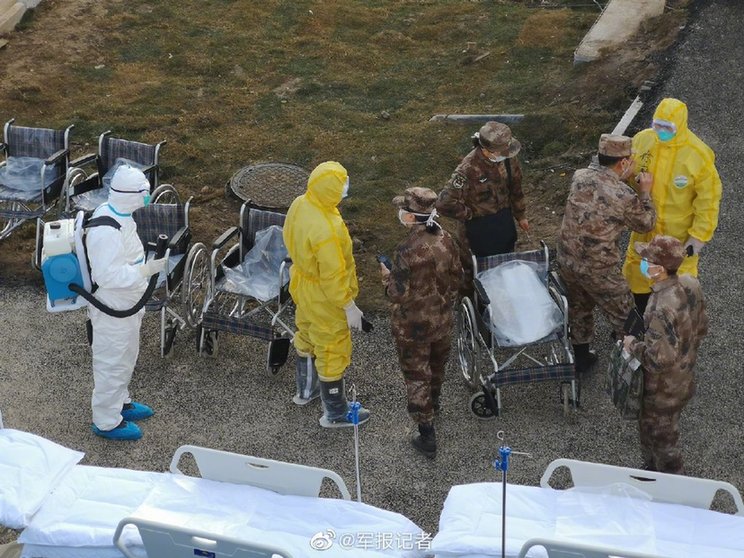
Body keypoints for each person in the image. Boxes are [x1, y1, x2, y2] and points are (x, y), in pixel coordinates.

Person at [557, 134, 656, 373]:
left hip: (567, 259)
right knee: (625, 312)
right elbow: (646, 223)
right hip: (598, 267)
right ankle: (634, 365)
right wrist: (645, 193)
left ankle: (581, 358)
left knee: (579, 307)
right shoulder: (623, 195)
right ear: (623, 163)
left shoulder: (579, 176)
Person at [283, 161, 370, 428]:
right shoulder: (327, 228)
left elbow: (288, 235)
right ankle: (335, 413)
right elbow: (333, 275)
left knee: (307, 333)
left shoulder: (301, 203)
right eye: (341, 186)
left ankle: (305, 391)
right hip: (324, 295)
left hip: (302, 283)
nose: (344, 191)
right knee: (332, 347)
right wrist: (348, 305)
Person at [380, 187, 462, 458]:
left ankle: (427, 434)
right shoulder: (446, 239)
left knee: (417, 376)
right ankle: (434, 404)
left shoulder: (406, 250)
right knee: (436, 367)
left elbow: (397, 294)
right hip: (442, 321)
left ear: (411, 216)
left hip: (412, 328)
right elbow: (457, 277)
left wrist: (386, 277)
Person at [87, 165, 166, 441]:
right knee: (111, 362)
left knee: (126, 356)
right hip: (113, 306)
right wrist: (144, 271)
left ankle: (121, 403)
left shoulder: (122, 217)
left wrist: (142, 273)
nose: (147, 198)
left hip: (128, 302)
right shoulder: (105, 230)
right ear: (131, 195)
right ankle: (106, 421)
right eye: (144, 193)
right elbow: (107, 276)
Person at [623, 97, 722, 315]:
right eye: (657, 125)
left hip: (676, 240)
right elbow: (630, 172)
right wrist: (632, 179)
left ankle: (671, 328)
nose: (661, 131)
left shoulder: (698, 155)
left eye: (667, 127)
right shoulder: (642, 141)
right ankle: (641, 320)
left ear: (680, 126)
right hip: (645, 233)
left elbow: (708, 201)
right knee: (638, 278)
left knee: (676, 287)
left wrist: (698, 237)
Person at [623, 236, 708, 474]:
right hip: (684, 375)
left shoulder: (660, 307)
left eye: (647, 261)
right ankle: (653, 470)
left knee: (662, 440)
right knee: (661, 430)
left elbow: (657, 360)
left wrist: (632, 345)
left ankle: (671, 481)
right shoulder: (690, 282)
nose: (643, 264)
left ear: (660, 269)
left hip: (662, 391)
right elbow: (702, 326)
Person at [436, 121, 529, 292]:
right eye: (502, 152)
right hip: (477, 229)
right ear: (487, 150)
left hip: (503, 221)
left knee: (505, 262)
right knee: (475, 271)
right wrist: (469, 214)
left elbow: (515, 188)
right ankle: (474, 301)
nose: (506, 154)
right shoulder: (467, 170)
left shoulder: (508, 159)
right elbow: (444, 204)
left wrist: (520, 215)